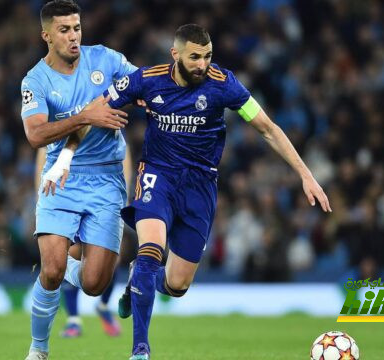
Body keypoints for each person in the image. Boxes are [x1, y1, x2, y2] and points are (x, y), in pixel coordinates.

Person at [46, 23, 332, 360]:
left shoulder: (224, 85)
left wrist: (305, 174)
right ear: (176, 55)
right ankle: (140, 349)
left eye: (208, 56)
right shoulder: (146, 80)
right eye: (195, 57)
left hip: (200, 188)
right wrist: (65, 157)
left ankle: (140, 281)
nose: (202, 64)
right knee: (151, 249)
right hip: (157, 176)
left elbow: (268, 129)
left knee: (177, 285)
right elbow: (93, 111)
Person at [20, 1, 137, 359]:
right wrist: (85, 116)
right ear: (46, 35)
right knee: (52, 271)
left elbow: (143, 85)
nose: (74, 37)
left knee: (93, 284)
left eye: (77, 28)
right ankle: (38, 350)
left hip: (106, 180)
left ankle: (117, 274)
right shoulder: (35, 80)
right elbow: (36, 135)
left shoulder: (106, 60)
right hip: (61, 176)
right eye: (64, 30)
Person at [34, 148, 122, 338]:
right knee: (68, 256)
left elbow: (124, 164)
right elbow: (43, 161)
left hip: (103, 194)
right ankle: (73, 318)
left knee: (110, 261)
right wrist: (41, 201)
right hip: (64, 194)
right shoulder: (56, 128)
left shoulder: (111, 131)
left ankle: (103, 305)